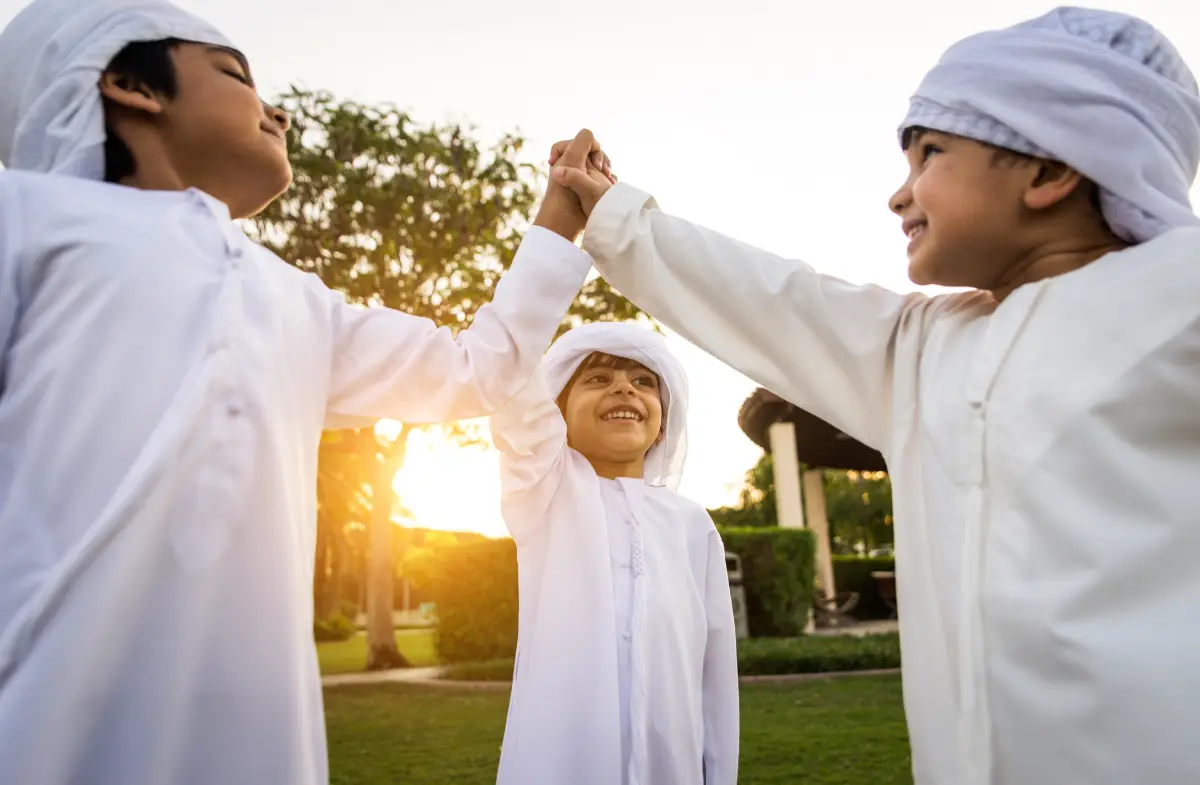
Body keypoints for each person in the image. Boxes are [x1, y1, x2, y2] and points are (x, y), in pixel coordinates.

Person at [552, 7, 1200, 785]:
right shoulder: (921, 350)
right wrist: (616, 215)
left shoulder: (1177, 298)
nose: (900, 194)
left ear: (1050, 169)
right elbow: (777, 300)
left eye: (930, 153)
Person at [0, 0, 614, 783]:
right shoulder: (27, 222)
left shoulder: (297, 302)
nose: (278, 110)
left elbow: (479, 367)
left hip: (257, 743)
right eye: (235, 76)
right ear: (129, 84)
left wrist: (558, 216)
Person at [490, 322, 739, 785]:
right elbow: (513, 397)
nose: (624, 387)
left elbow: (716, 670)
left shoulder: (692, 525)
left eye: (644, 381)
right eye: (597, 379)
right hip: (562, 762)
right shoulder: (544, 494)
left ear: (664, 423)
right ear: (556, 415)